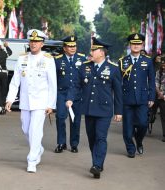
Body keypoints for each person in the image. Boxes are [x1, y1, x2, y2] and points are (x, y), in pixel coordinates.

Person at [67, 37, 123, 179]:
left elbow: (118, 92)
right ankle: (98, 162)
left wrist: (118, 111)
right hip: (89, 109)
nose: (91, 52)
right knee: (92, 138)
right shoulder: (84, 66)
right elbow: (75, 85)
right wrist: (70, 98)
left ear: (102, 53)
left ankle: (96, 165)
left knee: (101, 137)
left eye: (94, 50)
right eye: (91, 49)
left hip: (104, 110)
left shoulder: (113, 69)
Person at [5, 29, 57, 173]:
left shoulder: (48, 59)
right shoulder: (22, 58)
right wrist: (10, 99)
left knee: (35, 129)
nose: (33, 44)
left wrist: (51, 104)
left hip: (41, 102)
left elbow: (53, 84)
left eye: (36, 41)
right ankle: (38, 148)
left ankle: (32, 160)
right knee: (26, 128)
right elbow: (15, 81)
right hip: (26, 101)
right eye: (31, 41)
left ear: (42, 43)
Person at [118, 33, 155, 158]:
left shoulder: (148, 61)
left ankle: (139, 141)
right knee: (128, 130)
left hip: (142, 99)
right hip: (127, 99)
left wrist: (151, 97)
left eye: (138, 44)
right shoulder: (123, 61)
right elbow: (118, 82)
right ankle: (130, 148)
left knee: (143, 124)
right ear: (130, 45)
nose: (136, 46)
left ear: (142, 45)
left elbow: (151, 80)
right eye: (133, 44)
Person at [54, 35, 87, 153]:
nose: (73, 48)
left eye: (74, 46)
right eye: (70, 46)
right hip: (62, 93)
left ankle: (74, 144)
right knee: (60, 117)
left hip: (77, 95)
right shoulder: (57, 60)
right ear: (64, 48)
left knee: (75, 120)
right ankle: (61, 143)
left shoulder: (83, 59)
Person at [155, 56, 165, 142]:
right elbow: (156, 83)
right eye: (162, 64)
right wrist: (159, 93)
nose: (163, 65)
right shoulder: (159, 72)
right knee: (163, 117)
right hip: (161, 97)